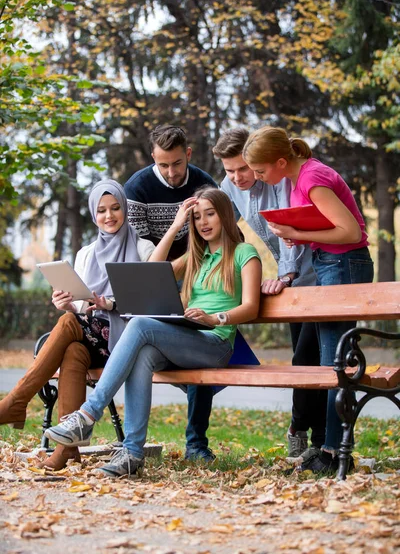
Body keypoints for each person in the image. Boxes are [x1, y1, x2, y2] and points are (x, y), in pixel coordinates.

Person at [45, 187, 262, 478]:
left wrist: (215, 317)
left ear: (224, 215)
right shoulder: (195, 256)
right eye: (197, 217)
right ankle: (132, 453)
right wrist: (176, 226)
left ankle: (87, 415)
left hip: (217, 342)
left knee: (139, 324)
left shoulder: (243, 253)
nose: (203, 222)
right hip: (191, 337)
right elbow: (152, 270)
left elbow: (251, 306)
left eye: (210, 214)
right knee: (144, 354)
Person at [0, 179, 162, 470]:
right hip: (90, 334)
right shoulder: (86, 253)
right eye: (101, 210)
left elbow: (149, 302)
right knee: (73, 348)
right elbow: (80, 304)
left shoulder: (142, 248)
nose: (109, 216)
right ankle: (67, 450)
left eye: (115, 208)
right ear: (93, 214)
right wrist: (66, 302)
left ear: (125, 209)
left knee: (67, 325)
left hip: (127, 339)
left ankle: (16, 401)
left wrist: (108, 304)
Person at [243, 126, 374, 474]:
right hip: (330, 264)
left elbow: (351, 232)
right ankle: (329, 448)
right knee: (331, 361)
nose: (258, 178)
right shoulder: (301, 177)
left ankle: (333, 453)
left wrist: (296, 234)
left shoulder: (312, 177)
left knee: (335, 364)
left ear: (281, 162)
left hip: (342, 265)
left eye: (259, 171)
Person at [213, 128, 325, 458]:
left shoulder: (278, 180)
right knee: (303, 359)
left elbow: (289, 231)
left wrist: (286, 275)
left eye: (242, 169)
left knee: (310, 358)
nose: (237, 176)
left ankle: (308, 433)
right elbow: (227, 235)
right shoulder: (229, 187)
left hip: (314, 272)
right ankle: (305, 432)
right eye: (229, 170)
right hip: (290, 280)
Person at [124, 125, 218, 462]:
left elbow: (218, 238)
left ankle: (196, 443)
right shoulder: (136, 189)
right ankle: (132, 446)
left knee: (200, 344)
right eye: (163, 164)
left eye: (177, 163)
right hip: (156, 274)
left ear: (188, 155)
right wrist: (180, 258)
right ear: (153, 158)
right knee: (150, 343)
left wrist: (191, 265)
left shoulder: (205, 183)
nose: (171, 172)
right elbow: (145, 257)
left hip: (199, 276)